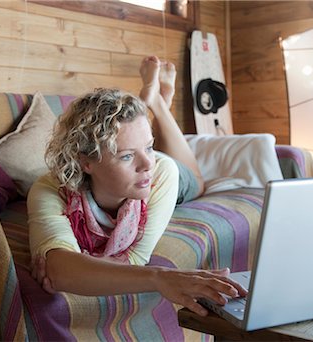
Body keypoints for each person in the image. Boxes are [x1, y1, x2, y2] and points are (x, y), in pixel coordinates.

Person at [28, 56, 247, 316]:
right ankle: (157, 103)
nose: (146, 165)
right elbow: (60, 270)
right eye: (126, 156)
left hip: (172, 175)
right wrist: (158, 278)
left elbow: (133, 260)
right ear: (86, 162)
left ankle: (157, 103)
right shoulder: (50, 189)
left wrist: (79, 266)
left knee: (198, 181)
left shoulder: (159, 171)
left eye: (148, 147)